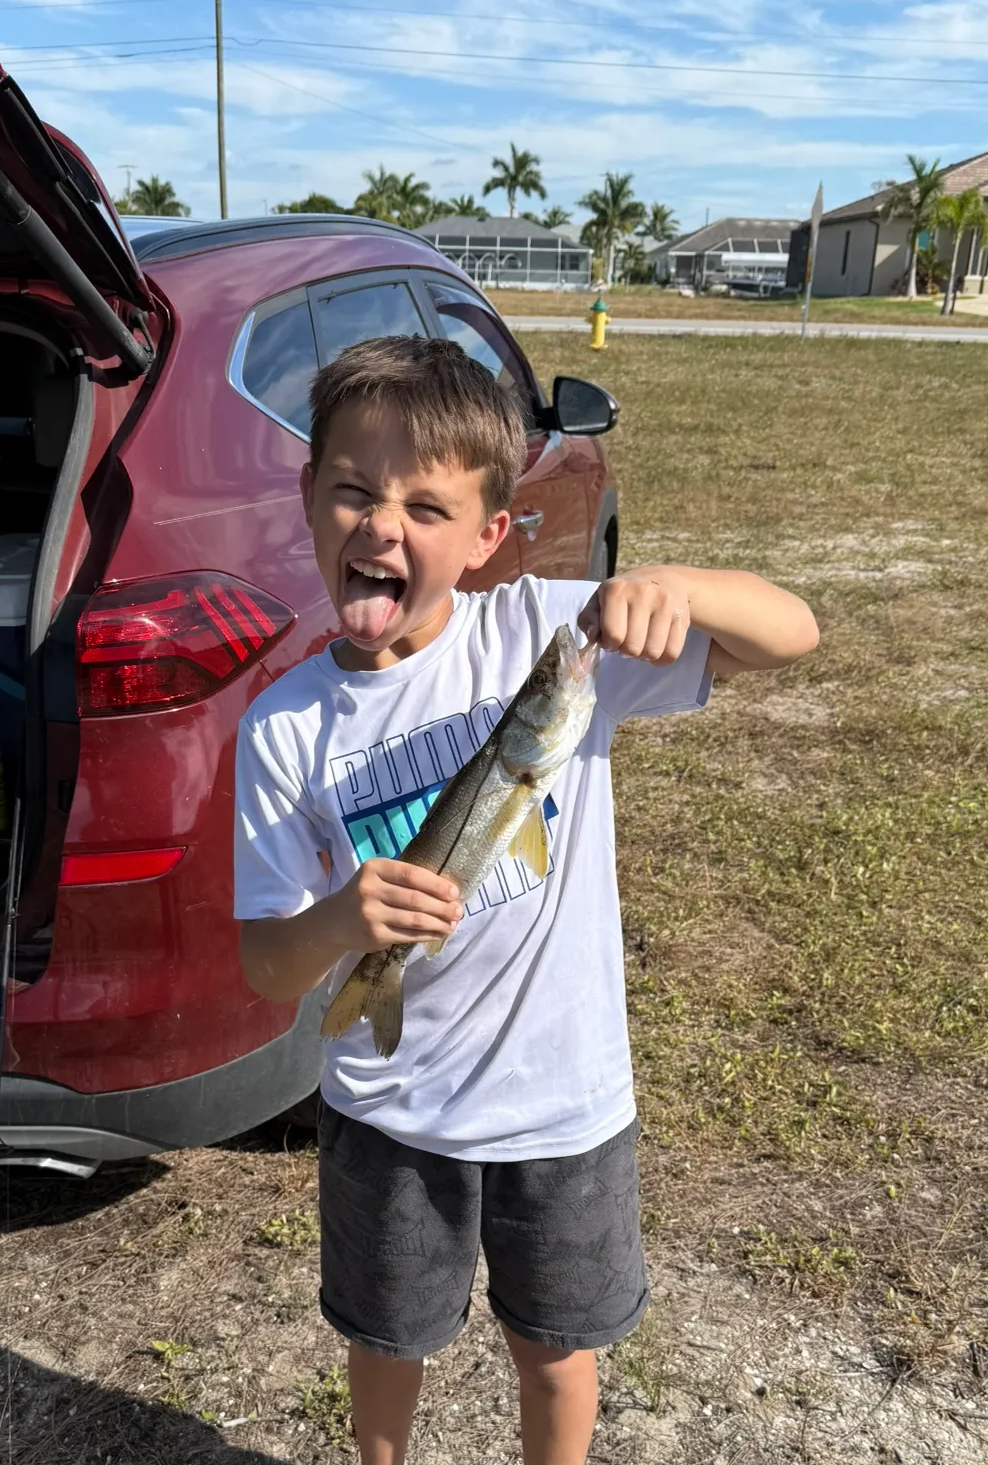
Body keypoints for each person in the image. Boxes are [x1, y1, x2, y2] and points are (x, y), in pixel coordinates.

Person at [234, 335, 818, 1465]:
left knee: (556, 1349)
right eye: (353, 491)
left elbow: (790, 633)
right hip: (390, 1115)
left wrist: (677, 587)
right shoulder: (285, 728)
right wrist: (342, 925)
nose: (383, 527)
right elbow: (267, 966)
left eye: (426, 506)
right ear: (307, 498)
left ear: (489, 536)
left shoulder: (541, 640)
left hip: (563, 1104)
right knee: (386, 1341)